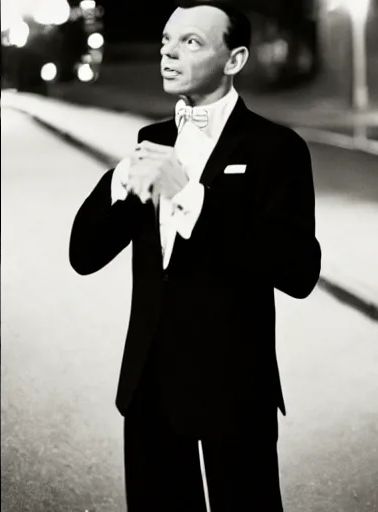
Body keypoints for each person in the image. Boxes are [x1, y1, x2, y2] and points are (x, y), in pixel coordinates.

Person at [68, 2, 322, 510]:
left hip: (235, 391)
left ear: (234, 60)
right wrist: (119, 180)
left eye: (191, 42)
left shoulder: (278, 148)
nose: (169, 51)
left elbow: (298, 271)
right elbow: (85, 254)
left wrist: (190, 198)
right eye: (166, 40)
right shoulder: (152, 141)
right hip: (149, 389)